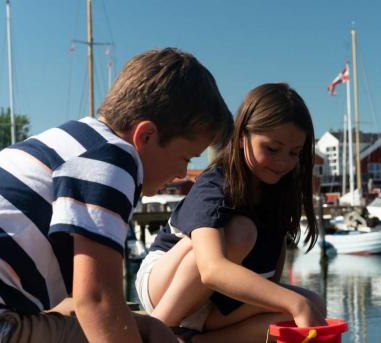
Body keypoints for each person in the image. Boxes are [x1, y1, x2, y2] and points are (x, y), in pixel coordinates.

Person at [0, 47, 233, 343]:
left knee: (138, 327)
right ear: (146, 136)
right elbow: (96, 301)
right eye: (186, 158)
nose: (181, 174)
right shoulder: (113, 160)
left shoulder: (76, 141)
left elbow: (81, 297)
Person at [136, 83, 327, 342]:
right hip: (165, 286)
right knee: (241, 232)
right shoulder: (215, 184)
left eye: (294, 153)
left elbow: (272, 272)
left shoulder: (279, 191)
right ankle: (158, 328)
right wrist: (294, 303)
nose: (283, 161)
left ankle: (197, 341)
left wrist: (299, 304)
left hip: (216, 303)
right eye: (272, 148)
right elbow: (211, 269)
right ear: (241, 137)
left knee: (314, 303)